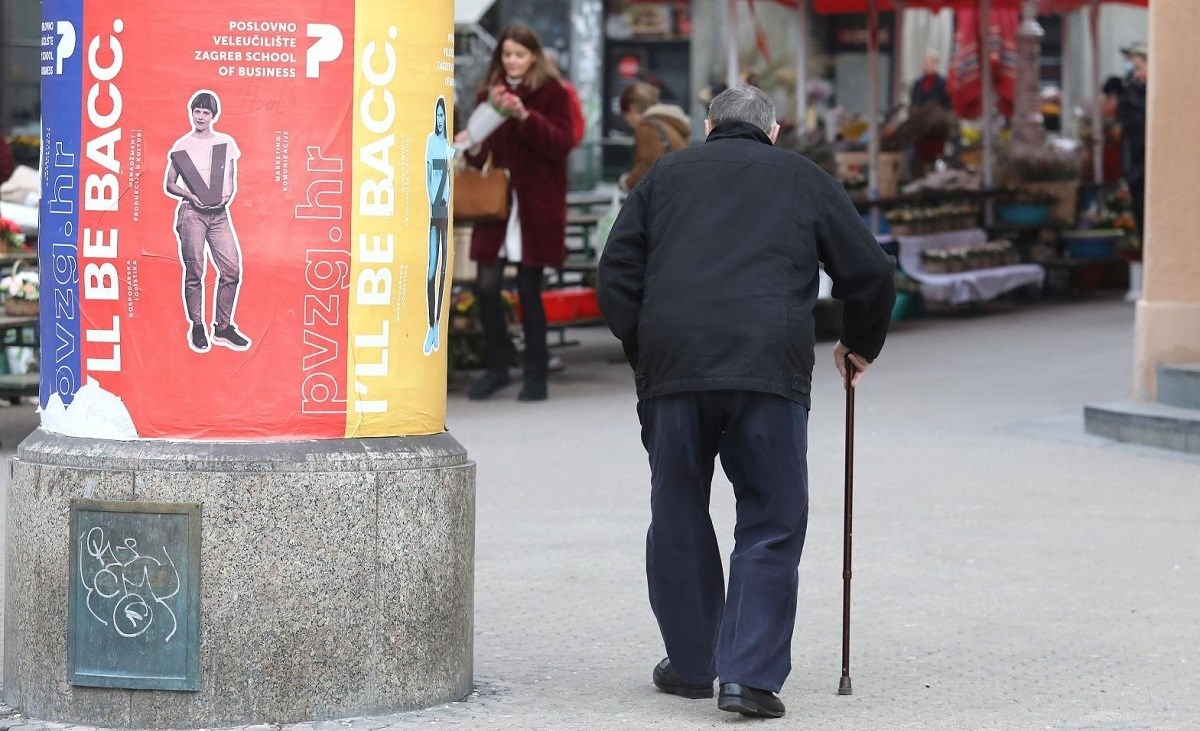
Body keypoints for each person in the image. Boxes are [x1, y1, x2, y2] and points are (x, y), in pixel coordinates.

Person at [597, 86, 895, 719]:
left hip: (674, 365)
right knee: (772, 515)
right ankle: (748, 677)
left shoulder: (666, 174)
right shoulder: (803, 177)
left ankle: (691, 664)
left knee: (676, 506)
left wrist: (642, 346)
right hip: (768, 366)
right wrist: (859, 343)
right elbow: (869, 271)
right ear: (775, 131)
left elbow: (616, 270)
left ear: (708, 126)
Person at [454, 24, 574, 402]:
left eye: (519, 55)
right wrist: (468, 144)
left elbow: (561, 143)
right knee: (486, 285)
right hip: (499, 202)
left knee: (528, 288)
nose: (512, 61)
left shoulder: (552, 93)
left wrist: (526, 117)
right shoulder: (489, 95)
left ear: (533, 56)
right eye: (507, 54)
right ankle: (497, 367)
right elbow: (482, 150)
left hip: (536, 202)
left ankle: (535, 374)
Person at [164, 90, 251, 353]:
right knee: (195, 271)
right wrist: (190, 194)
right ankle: (198, 325)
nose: (200, 116)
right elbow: (169, 184)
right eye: (197, 111)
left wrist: (226, 197)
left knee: (232, 269)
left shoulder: (225, 142)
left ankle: (223, 326)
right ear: (191, 113)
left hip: (219, 213)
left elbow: (231, 179)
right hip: (192, 213)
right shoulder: (182, 145)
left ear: (214, 116)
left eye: (206, 112)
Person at [618, 82, 691, 192]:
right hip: (680, 191)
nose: (628, 122)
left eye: (626, 116)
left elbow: (646, 166)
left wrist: (626, 183)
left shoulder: (647, 127)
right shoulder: (668, 123)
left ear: (632, 109)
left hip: (666, 196)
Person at [424, 97, 453, 355]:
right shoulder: (433, 143)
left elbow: (451, 179)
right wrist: (435, 201)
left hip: (445, 211)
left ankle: (436, 326)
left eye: (443, 115)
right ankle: (431, 325)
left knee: (444, 268)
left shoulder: (447, 144)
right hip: (435, 210)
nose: (441, 120)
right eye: (439, 115)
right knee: (431, 270)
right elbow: (428, 175)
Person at [1117, 41, 1148, 238]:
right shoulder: (1132, 93)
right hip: (1136, 166)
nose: (1135, 74)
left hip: (1144, 165)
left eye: (1139, 68)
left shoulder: (1141, 95)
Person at [909, 50, 953, 176]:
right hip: (920, 131)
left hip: (937, 130)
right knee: (914, 157)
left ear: (935, 64)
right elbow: (914, 103)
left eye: (928, 63)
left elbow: (947, 105)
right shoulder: (918, 84)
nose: (925, 65)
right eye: (924, 63)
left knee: (937, 158)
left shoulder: (942, 83)